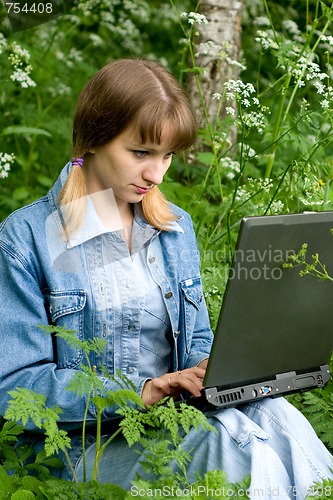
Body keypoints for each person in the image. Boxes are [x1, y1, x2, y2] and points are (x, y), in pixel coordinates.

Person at [0, 58, 332, 498]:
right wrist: (143, 391)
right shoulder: (26, 239)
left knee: (280, 420)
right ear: (94, 139)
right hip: (82, 447)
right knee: (241, 454)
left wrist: (210, 368)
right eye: (141, 153)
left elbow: (195, 339)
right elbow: (14, 389)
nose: (156, 175)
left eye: (168, 155)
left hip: (173, 420)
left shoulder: (174, 228)